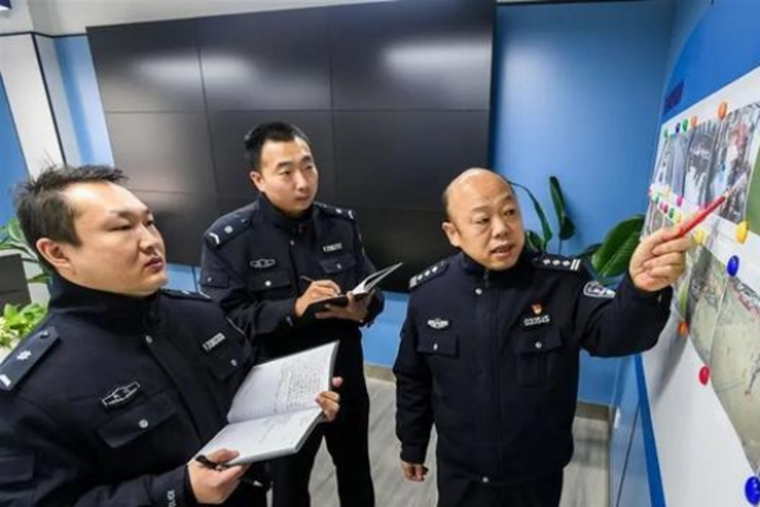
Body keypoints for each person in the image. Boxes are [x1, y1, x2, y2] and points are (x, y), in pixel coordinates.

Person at [0, 165, 341, 507]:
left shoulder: (199, 315)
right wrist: (176, 490)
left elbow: (245, 391)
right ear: (57, 252)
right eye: (121, 227)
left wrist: (298, 405)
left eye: (148, 222)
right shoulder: (34, 389)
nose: (150, 241)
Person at [394, 168, 690, 507]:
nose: (502, 229)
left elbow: (615, 336)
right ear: (453, 233)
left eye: (510, 212)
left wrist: (639, 290)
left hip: (535, 477)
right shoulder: (430, 294)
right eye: (482, 220)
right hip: (462, 476)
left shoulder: (561, 282)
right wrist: (412, 444)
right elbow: (414, 378)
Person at [200, 122, 383, 507]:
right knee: (289, 484)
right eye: (286, 172)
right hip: (278, 384)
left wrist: (364, 307)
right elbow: (224, 320)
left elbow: (370, 285)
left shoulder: (340, 224)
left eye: (308, 166)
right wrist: (294, 308)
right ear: (258, 179)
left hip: (344, 372)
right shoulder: (230, 239)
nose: (302, 182)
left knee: (355, 472)